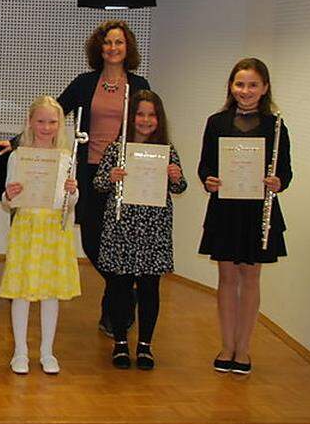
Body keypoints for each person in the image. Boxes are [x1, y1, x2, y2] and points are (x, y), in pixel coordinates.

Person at [0, 21, 151, 338]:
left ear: (128, 48)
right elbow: (50, 113)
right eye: (107, 42)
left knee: (118, 242)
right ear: (99, 48)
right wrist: (14, 142)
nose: (113, 48)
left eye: (119, 43)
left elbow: (148, 123)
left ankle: (115, 308)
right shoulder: (85, 82)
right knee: (93, 241)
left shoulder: (139, 83)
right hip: (91, 170)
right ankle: (122, 291)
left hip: (123, 172)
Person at [199, 58, 291, 376]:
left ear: (264, 88)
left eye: (253, 84)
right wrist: (208, 180)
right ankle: (226, 346)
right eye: (240, 84)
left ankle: (244, 348)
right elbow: (205, 167)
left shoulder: (276, 126)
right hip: (225, 210)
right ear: (231, 86)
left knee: (250, 278)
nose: (246, 90)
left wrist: (277, 182)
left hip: (257, 212)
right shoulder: (216, 122)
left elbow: (285, 173)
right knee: (226, 278)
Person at [93, 90, 186, 370]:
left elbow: (180, 187)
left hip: (153, 228)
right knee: (119, 286)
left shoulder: (168, 150)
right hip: (122, 225)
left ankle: (145, 345)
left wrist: (176, 177)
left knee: (149, 288)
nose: (146, 120)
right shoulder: (116, 149)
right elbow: (98, 184)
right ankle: (120, 342)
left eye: (151, 115)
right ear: (130, 117)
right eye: (140, 114)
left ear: (159, 119)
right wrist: (110, 177)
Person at [0, 97, 80, 375]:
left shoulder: (67, 158)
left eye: (52, 122)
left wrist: (73, 190)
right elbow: (8, 199)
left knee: (50, 294)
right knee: (21, 292)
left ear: (60, 125)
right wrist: (9, 195)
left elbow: (70, 201)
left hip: (54, 231)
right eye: (41, 121)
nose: (46, 127)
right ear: (31, 122)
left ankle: (47, 351)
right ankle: (20, 351)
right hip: (26, 228)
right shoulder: (18, 156)